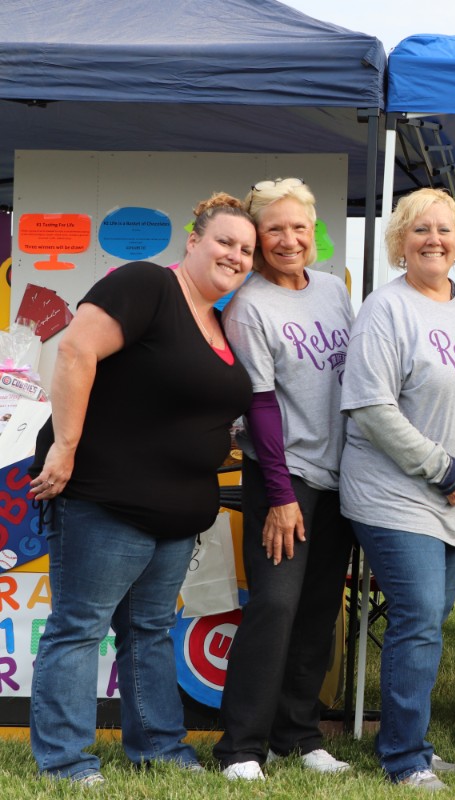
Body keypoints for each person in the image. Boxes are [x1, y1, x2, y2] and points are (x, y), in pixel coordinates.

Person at [27, 193, 255, 787]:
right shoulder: (146, 284)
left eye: (246, 250)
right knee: (79, 627)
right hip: (106, 502)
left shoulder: (220, 322)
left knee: (149, 630)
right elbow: (76, 350)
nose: (235, 255)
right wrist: (66, 444)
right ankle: (66, 761)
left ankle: (158, 747)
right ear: (194, 241)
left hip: (176, 517)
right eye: (225, 241)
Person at [339, 187, 455, 791]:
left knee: (429, 620)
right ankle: (404, 758)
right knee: (417, 618)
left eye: (444, 229)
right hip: (399, 492)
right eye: (419, 230)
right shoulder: (386, 309)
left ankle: (411, 740)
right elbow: (369, 406)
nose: (433, 239)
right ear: (399, 242)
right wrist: (444, 469)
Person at [213, 178, 356, 780]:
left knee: (321, 608)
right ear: (256, 236)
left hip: (340, 476)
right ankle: (241, 747)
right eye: (274, 229)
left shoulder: (331, 289)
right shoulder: (248, 305)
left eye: (299, 227)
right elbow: (261, 406)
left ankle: (297, 733)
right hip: (284, 474)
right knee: (275, 605)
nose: (289, 239)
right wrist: (277, 496)